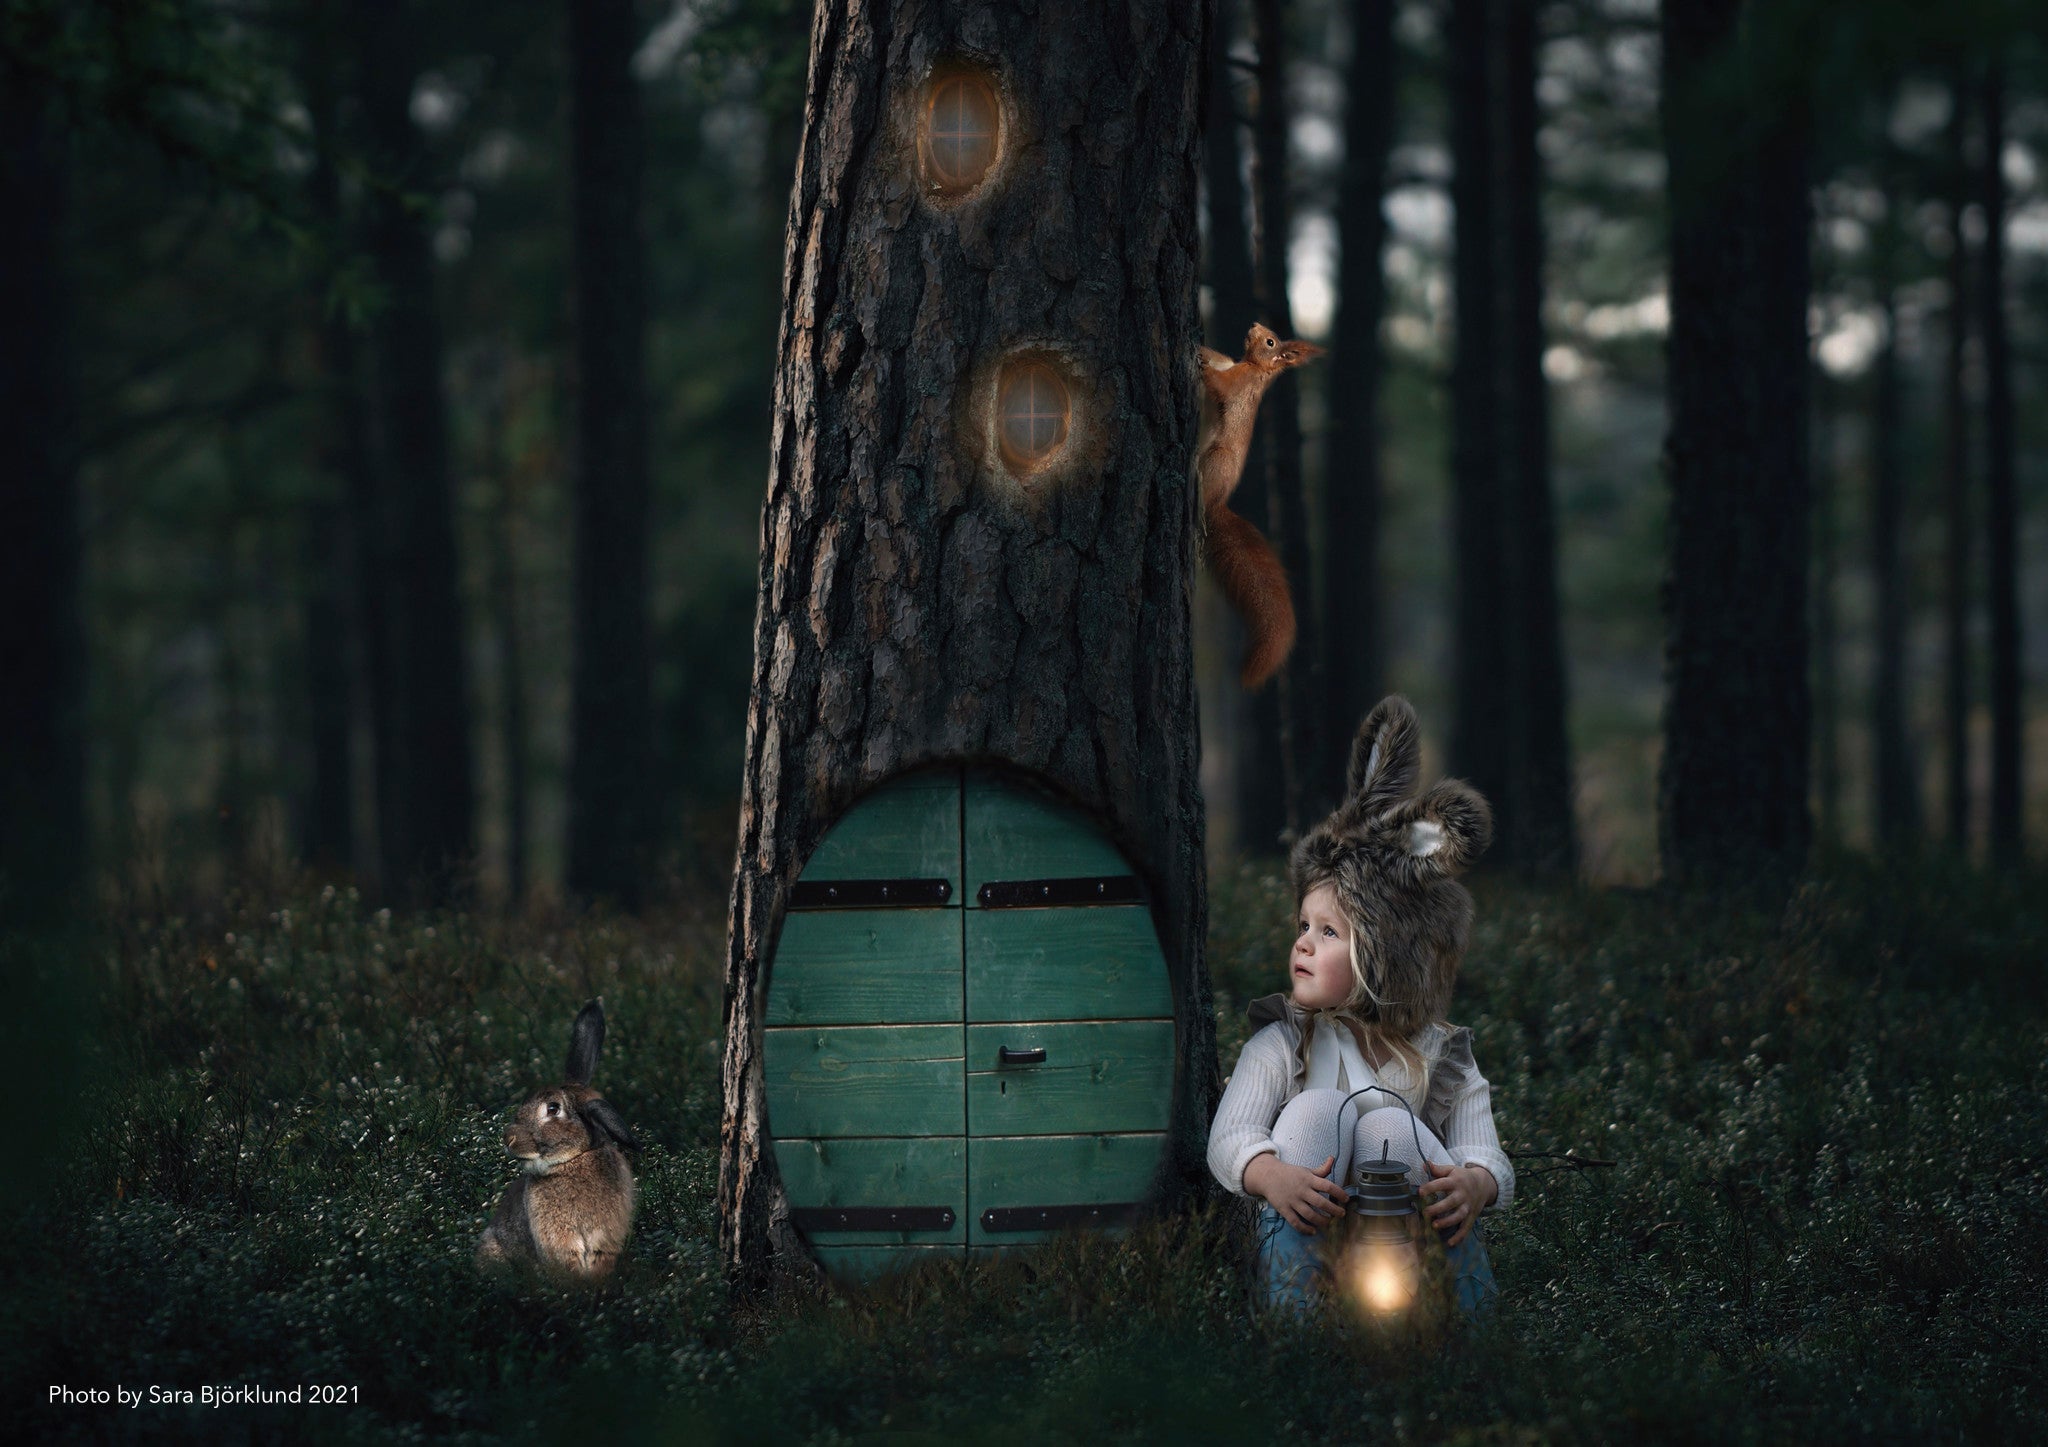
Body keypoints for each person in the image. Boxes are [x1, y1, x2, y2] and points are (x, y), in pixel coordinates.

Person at [1207, 695, 1511, 1317]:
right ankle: (1298, 1326)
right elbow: (1230, 1135)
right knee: (1315, 1108)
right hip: (1307, 1230)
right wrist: (1272, 1178)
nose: (1302, 943)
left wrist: (1476, 1183)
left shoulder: (1440, 1053)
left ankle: (1458, 1330)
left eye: (1329, 933)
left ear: (1387, 953)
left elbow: (1486, 1152)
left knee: (1393, 1127)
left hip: (1406, 1242)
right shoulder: (1282, 1041)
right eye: (1302, 924)